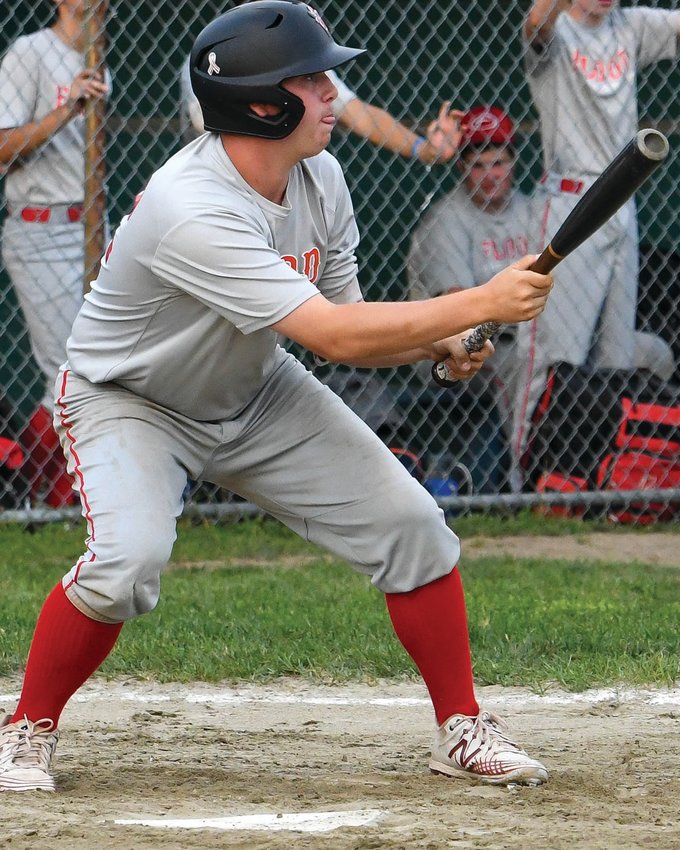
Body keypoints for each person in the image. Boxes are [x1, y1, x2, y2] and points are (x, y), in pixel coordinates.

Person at [0, 1, 554, 793]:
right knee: (128, 563)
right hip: (131, 400)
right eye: (314, 78)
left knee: (411, 525)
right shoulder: (191, 205)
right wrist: (483, 301)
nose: (334, 93)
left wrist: (440, 343)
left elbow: (354, 314)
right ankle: (27, 725)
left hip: (254, 389)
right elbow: (335, 338)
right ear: (262, 104)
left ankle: (461, 724)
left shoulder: (319, 177)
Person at [514, 0, 679, 468]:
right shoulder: (557, 25)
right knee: (552, 356)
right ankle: (523, 481)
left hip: (624, 199)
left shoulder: (630, 24)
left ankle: (598, 478)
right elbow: (536, 25)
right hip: (570, 199)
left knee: (617, 357)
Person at [0, 0, 109, 508]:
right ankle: (49, 496)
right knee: (68, 372)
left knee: (105, 363)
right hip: (40, 227)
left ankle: (66, 493)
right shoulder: (29, 52)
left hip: (91, 226)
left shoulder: (96, 51)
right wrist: (68, 109)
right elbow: (2, 145)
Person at [407, 106, 539, 490]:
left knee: (652, 353)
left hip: (526, 339)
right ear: (462, 168)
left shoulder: (532, 211)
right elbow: (459, 308)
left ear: (514, 164)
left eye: (499, 163)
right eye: (478, 165)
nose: (490, 175)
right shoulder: (446, 220)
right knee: (518, 366)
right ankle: (525, 486)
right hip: (455, 350)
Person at [179, 22, 463, 165]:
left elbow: (359, 114)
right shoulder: (216, 56)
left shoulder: (323, 178)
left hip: (281, 191)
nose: (327, 92)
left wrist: (426, 150)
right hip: (220, 183)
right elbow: (230, 130)